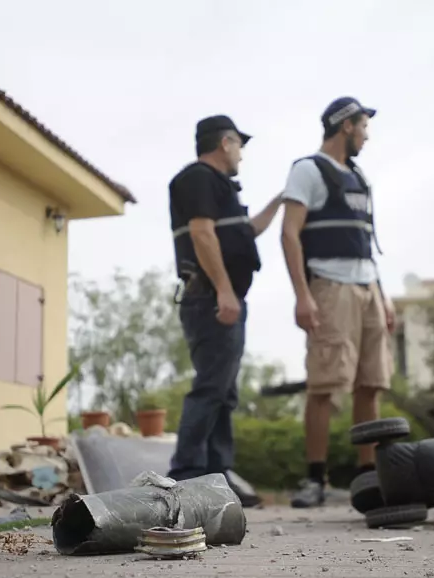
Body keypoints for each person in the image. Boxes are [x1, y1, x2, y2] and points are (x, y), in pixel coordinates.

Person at [281, 97, 395, 509]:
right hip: (329, 288)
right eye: (364, 125)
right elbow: (289, 234)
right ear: (346, 125)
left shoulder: (359, 177)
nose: (367, 133)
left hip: (368, 289)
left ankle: (368, 476)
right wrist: (302, 295)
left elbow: (364, 242)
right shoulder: (308, 170)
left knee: (371, 383)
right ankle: (316, 478)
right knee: (325, 385)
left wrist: (382, 296)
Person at [166, 114, 283, 508]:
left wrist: (283, 199)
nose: (242, 155)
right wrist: (224, 291)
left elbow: (247, 230)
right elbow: (201, 233)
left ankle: (217, 477)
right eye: (239, 146)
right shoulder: (198, 177)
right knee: (212, 387)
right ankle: (185, 474)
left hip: (224, 297)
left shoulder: (220, 187)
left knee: (224, 391)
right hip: (213, 299)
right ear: (225, 142)